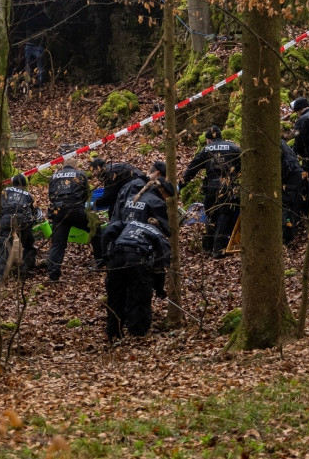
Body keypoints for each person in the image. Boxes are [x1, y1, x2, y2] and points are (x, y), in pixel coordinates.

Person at [101, 216, 171, 342]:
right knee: (140, 295)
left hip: (116, 256)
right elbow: (161, 264)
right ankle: (137, 333)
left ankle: (113, 331)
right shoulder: (159, 236)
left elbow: (109, 230)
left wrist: (105, 255)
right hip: (136, 259)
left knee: (115, 296)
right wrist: (159, 288)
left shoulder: (131, 223)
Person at [182, 126, 241, 257]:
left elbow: (192, 167)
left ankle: (209, 248)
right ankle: (218, 250)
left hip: (210, 188)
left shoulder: (206, 150)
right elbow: (242, 165)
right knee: (224, 217)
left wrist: (182, 184)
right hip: (227, 187)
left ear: (208, 140)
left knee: (211, 216)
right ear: (221, 136)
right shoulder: (233, 148)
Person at [45, 158, 90, 281]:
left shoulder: (54, 177)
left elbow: (51, 195)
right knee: (97, 231)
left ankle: (53, 274)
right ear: (75, 167)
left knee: (57, 244)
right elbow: (86, 193)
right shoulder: (80, 175)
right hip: (76, 209)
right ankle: (101, 261)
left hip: (58, 212)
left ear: (63, 166)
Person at [0, 174, 38, 280]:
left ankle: (0, 276)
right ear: (23, 184)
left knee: (4, 248)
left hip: (6, 220)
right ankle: (24, 270)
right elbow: (33, 212)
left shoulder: (5, 191)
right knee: (28, 245)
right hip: (23, 220)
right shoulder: (28, 195)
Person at [280, 139, 307, 244]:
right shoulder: (280, 142)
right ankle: (289, 235)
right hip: (296, 173)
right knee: (292, 206)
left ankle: (286, 237)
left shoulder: (271, 143)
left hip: (291, 176)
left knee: (287, 207)